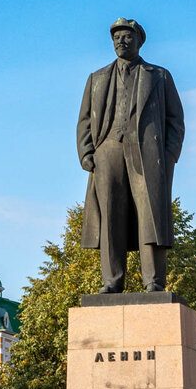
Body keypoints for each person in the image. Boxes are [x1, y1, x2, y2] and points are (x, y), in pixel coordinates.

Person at [77, 17, 185, 293]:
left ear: (139, 40)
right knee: (110, 215)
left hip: (147, 156)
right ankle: (112, 281)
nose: (120, 42)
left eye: (126, 37)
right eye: (116, 38)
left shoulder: (159, 75)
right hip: (108, 152)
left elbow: (176, 120)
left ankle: (154, 281)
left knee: (150, 216)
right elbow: (85, 120)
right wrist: (87, 153)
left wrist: (168, 155)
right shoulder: (97, 78)